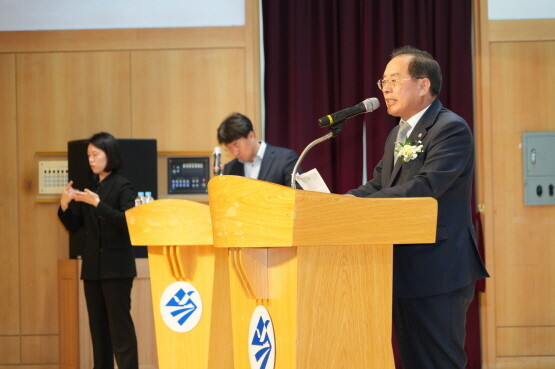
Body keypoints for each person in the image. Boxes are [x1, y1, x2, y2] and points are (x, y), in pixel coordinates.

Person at [347, 46, 489, 369]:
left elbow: (426, 188)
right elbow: (379, 185)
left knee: (440, 362)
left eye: (394, 80)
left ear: (423, 85)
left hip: (440, 267)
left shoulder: (450, 129)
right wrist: (344, 203)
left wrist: (360, 208)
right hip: (402, 268)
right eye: (383, 82)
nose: (385, 88)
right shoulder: (398, 133)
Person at [58, 132, 139, 369]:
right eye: (88, 156)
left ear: (109, 155)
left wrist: (98, 204)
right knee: (98, 329)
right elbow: (76, 227)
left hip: (117, 269)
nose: (91, 160)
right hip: (92, 269)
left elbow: (127, 223)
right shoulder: (90, 186)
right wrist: (64, 207)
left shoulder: (123, 185)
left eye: (95, 154)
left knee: (120, 329)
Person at [217, 112, 300, 186]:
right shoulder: (229, 169)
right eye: (229, 149)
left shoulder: (285, 159)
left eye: (236, 145)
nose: (235, 153)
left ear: (251, 135)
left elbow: (298, 197)